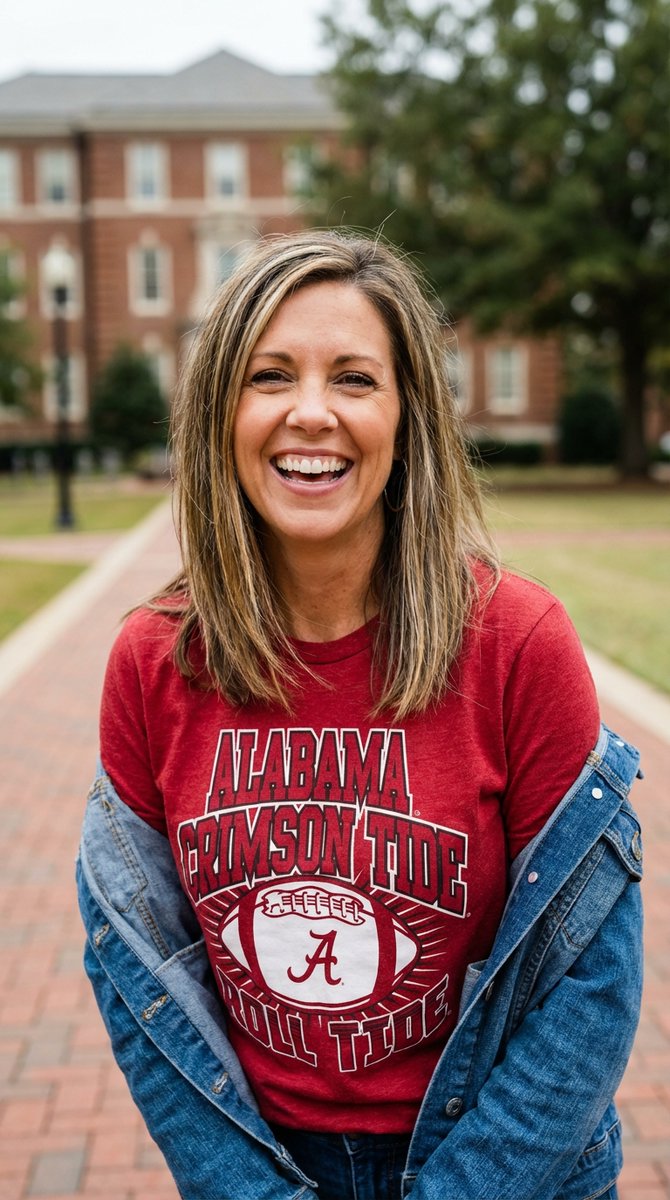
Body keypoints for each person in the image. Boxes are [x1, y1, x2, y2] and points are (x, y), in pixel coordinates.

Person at [77, 230, 643, 1200]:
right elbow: (133, 965)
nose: (311, 414)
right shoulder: (152, 662)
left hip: (504, 1167)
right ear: (219, 414)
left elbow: (590, 984)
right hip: (263, 1161)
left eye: (353, 378)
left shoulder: (516, 644)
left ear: (406, 416)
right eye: (269, 376)